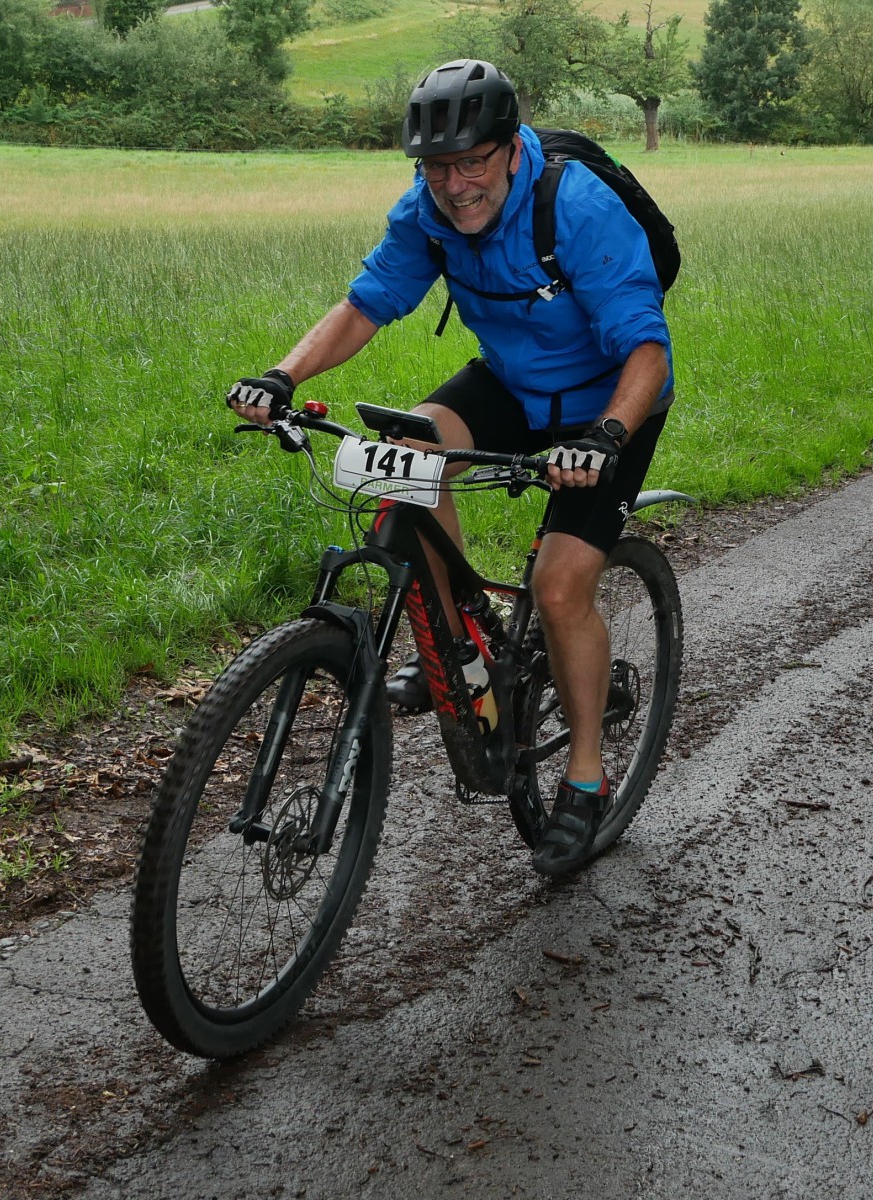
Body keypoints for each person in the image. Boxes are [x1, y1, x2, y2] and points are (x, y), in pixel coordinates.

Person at [228, 59, 675, 877]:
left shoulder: (575, 207)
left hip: (612, 400)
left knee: (560, 586)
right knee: (408, 455)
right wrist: (282, 376)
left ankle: (585, 778)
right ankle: (461, 652)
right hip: (512, 384)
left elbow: (646, 347)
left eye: (472, 162)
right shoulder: (426, 212)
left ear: (512, 149)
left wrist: (607, 435)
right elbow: (366, 303)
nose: (456, 186)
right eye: (437, 167)